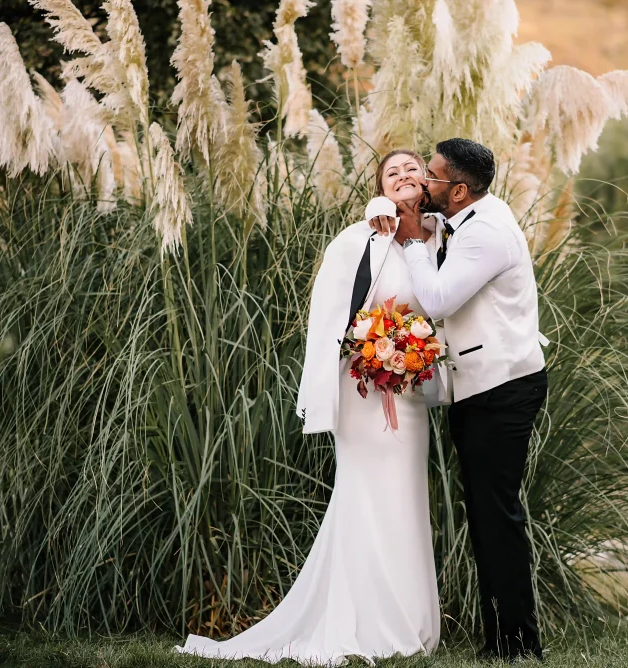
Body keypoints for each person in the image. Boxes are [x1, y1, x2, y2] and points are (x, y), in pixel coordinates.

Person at [174, 150, 442, 666]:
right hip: (363, 394)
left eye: (413, 167)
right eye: (393, 172)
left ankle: (410, 620)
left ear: (427, 181)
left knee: (407, 499)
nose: (406, 175)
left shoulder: (438, 239)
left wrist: (412, 354)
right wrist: (368, 349)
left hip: (410, 396)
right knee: (363, 497)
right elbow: (329, 316)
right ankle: (360, 622)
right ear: (380, 187)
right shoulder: (362, 237)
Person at [371, 138, 549, 661]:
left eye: (432, 175)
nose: (424, 181)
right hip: (477, 389)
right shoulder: (464, 219)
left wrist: (409, 244)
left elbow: (440, 298)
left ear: (458, 190)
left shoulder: (488, 233)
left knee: (498, 514)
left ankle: (519, 643)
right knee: (487, 514)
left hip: (503, 389)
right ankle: (498, 639)